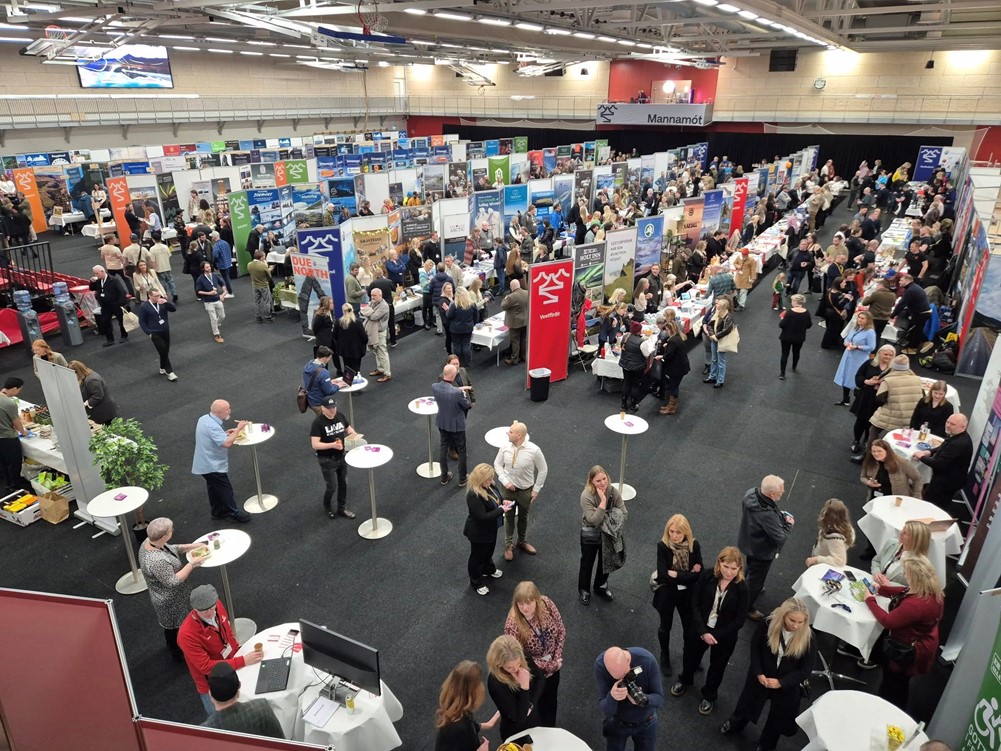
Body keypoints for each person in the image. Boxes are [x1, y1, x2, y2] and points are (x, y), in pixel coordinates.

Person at [719, 598, 816, 751]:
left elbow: (805, 670)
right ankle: (736, 723)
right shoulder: (768, 623)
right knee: (747, 702)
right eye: (792, 620)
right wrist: (758, 672)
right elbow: (755, 646)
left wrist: (781, 683)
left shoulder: (808, 637)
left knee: (777, 717)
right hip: (762, 675)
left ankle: (766, 744)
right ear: (783, 615)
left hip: (785, 684)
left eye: (800, 622)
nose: (796, 626)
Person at [670, 547, 749, 715]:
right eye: (726, 566)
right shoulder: (707, 576)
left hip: (724, 635)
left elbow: (739, 620)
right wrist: (702, 631)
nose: (729, 572)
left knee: (718, 666)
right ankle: (685, 679)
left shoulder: (742, 589)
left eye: (733, 569)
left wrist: (715, 635)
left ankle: (710, 694)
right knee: (691, 655)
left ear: (739, 568)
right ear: (719, 563)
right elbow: (695, 603)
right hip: (701, 628)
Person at [864, 557, 944, 709]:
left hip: (907, 650)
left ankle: (885, 708)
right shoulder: (931, 592)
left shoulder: (916, 605)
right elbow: (904, 591)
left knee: (894, 682)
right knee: (900, 681)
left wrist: (870, 600)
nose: (904, 575)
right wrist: (881, 589)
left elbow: (888, 621)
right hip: (922, 643)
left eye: (906, 573)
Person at [178, 584, 263, 718]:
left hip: (233, 665)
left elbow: (228, 631)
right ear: (195, 610)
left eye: (212, 607)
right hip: (212, 683)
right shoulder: (186, 635)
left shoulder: (217, 605)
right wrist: (242, 660)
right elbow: (206, 667)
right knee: (221, 720)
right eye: (205, 611)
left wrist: (237, 650)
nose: (211, 612)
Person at [138, 517, 205, 660]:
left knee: (177, 625)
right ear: (163, 537)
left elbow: (170, 549)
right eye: (171, 530)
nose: (173, 531)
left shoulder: (149, 542)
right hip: (170, 600)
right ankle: (177, 650)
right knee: (176, 627)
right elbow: (172, 581)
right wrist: (192, 564)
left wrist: (190, 547)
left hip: (175, 596)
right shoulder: (157, 561)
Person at [504, 581, 566, 726]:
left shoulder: (546, 603)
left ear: (537, 600)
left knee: (550, 702)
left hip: (553, 665)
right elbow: (520, 658)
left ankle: (551, 729)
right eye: (520, 603)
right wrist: (551, 665)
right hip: (532, 674)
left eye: (528, 602)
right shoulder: (512, 625)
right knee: (534, 706)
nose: (524, 608)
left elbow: (561, 630)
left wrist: (556, 658)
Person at [738, 475, 793, 621]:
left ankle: (744, 584)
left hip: (749, 542)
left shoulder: (751, 494)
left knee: (750, 567)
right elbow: (780, 537)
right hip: (762, 551)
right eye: (781, 492)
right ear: (772, 494)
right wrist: (788, 524)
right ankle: (745, 607)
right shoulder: (767, 515)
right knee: (756, 581)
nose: (783, 492)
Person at [653, 514, 702, 676]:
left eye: (678, 533)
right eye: (671, 531)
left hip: (688, 595)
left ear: (686, 532)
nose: (674, 536)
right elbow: (662, 576)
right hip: (668, 594)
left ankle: (689, 654)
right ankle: (664, 654)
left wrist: (676, 575)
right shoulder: (663, 546)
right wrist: (688, 575)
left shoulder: (694, 546)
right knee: (665, 626)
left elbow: (699, 574)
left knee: (689, 627)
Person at [494, 421, 548, 562]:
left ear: (519, 435)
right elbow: (497, 464)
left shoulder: (534, 450)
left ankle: (522, 541)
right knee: (508, 517)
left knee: (523, 517)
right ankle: (508, 545)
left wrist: (536, 489)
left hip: (525, 491)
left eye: (510, 431)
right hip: (507, 491)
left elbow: (543, 469)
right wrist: (505, 481)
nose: (507, 433)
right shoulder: (504, 446)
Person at [191, 400, 251, 523]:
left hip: (204, 462)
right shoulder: (212, 425)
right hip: (211, 464)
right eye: (227, 410)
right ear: (218, 412)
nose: (229, 411)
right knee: (224, 488)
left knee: (213, 487)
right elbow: (226, 443)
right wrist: (238, 430)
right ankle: (234, 513)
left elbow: (214, 436)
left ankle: (217, 511)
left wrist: (224, 433)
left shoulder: (204, 419)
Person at [594, 645, 664, 751]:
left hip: (646, 723)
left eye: (626, 676)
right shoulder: (600, 665)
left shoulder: (647, 660)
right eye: (619, 679)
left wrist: (645, 698)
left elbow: (659, 699)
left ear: (628, 662)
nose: (624, 681)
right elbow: (607, 710)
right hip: (618, 723)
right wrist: (612, 697)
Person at [578, 464, 626, 606]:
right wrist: (604, 502)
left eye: (604, 478)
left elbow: (624, 514)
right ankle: (584, 589)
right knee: (587, 563)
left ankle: (600, 586)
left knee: (606, 561)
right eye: (598, 481)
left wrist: (602, 512)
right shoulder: (586, 495)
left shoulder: (613, 491)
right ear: (591, 481)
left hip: (608, 535)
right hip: (591, 534)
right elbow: (593, 521)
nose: (603, 483)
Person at [463, 463, 513, 595]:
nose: (491, 481)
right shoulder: (474, 495)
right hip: (479, 532)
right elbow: (482, 517)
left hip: (491, 529)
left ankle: (488, 570)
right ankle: (476, 582)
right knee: (477, 557)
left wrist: (503, 502)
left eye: (491, 478)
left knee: (489, 551)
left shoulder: (490, 486)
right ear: (480, 480)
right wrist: (501, 510)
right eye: (488, 479)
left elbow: (497, 497)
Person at [486, 635, 545, 742]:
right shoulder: (495, 683)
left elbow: (540, 679)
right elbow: (520, 717)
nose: (516, 669)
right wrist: (524, 687)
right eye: (509, 667)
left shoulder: (523, 657)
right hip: (515, 732)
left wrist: (530, 704)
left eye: (518, 663)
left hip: (534, 719)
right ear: (498, 664)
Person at [201, 662, 284, 738]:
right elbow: (281, 742)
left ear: (210, 694)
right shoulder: (261, 708)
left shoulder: (204, 732)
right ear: (239, 687)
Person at [310, 395, 358, 520]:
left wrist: (353, 434)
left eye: (334, 407)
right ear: (323, 408)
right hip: (327, 460)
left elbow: (348, 429)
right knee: (331, 486)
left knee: (343, 483)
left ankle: (342, 508)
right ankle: (327, 507)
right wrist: (332, 445)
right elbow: (315, 444)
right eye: (329, 408)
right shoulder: (318, 423)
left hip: (341, 457)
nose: (332, 410)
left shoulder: (340, 416)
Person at [434, 661, 500, 751]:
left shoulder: (458, 710)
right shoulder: (457, 729)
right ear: (472, 692)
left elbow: (470, 724)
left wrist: (488, 724)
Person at [914, 413, 973, 510]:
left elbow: (938, 464)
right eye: (947, 422)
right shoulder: (958, 436)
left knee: (932, 505)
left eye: (952, 424)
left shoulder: (959, 444)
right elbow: (944, 446)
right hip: (948, 479)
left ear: (963, 427)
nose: (948, 425)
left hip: (946, 482)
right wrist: (930, 451)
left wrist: (921, 457)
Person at [850, 345, 897, 460]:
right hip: (866, 396)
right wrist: (867, 381)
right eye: (886, 354)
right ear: (880, 353)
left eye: (891, 355)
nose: (888, 357)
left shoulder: (893, 369)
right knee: (861, 420)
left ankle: (867, 440)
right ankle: (856, 440)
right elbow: (858, 377)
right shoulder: (870, 363)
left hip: (880, 399)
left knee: (873, 423)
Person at [869, 355, 925, 444]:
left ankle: (870, 454)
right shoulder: (917, 379)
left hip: (891, 413)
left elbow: (879, 399)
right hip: (911, 415)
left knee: (874, 429)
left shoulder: (888, 380)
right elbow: (923, 397)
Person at [433, 364, 472, 486]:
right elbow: (467, 405)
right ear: (453, 375)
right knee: (461, 450)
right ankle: (462, 478)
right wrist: (463, 393)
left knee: (443, 448)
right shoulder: (457, 393)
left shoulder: (435, 387)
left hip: (442, 422)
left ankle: (444, 476)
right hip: (457, 426)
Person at [834, 310, 877, 404]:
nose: (860, 320)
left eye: (862, 318)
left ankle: (858, 401)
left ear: (868, 320)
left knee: (857, 378)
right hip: (849, 355)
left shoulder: (870, 332)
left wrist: (857, 347)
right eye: (859, 317)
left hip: (859, 358)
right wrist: (847, 344)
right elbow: (846, 339)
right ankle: (845, 399)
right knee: (846, 376)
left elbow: (871, 347)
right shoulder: (855, 328)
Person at [138, 288, 178, 381]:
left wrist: (166, 302)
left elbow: (173, 309)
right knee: (163, 350)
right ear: (150, 296)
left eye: (159, 295)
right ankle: (170, 372)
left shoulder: (162, 303)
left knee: (165, 351)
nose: (158, 297)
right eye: (156, 296)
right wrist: (149, 333)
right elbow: (142, 322)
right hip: (154, 332)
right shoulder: (144, 306)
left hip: (165, 330)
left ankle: (162, 367)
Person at [804, 498, 855, 567]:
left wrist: (816, 559)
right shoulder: (846, 526)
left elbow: (840, 561)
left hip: (822, 566)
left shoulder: (834, 536)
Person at [890, 274, 932, 355]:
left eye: (901, 280)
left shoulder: (911, 290)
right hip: (923, 312)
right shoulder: (913, 287)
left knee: (915, 330)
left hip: (921, 314)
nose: (899, 282)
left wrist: (892, 315)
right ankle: (925, 342)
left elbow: (902, 304)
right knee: (914, 329)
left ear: (908, 280)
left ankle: (913, 348)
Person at [655, 318, 690, 415]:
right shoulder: (679, 338)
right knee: (674, 386)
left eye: (666, 329)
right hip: (682, 367)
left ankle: (671, 407)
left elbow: (669, 356)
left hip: (676, 369)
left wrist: (660, 356)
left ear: (671, 329)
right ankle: (671, 406)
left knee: (672, 387)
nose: (666, 331)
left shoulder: (672, 341)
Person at [89, 264, 129, 347]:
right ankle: (110, 339)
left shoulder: (113, 280)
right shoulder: (98, 281)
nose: (96, 275)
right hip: (105, 305)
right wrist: (92, 282)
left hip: (115, 304)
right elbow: (92, 288)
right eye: (95, 274)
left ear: (102, 272)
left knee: (121, 321)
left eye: (97, 273)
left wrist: (120, 303)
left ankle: (124, 336)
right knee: (105, 321)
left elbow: (122, 292)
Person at [0, 377, 28, 494]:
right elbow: (16, 423)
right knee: (14, 463)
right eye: (19, 390)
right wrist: (24, 432)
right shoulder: (9, 403)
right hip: (8, 438)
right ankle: (15, 486)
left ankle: (8, 484)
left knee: (3, 462)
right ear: (15, 389)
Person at [69, 360, 118, 425]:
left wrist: (85, 404)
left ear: (78, 372)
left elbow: (97, 396)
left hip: (104, 412)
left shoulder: (92, 380)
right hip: (99, 411)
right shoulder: (85, 376)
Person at [778, 294, 812, 380]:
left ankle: (782, 373)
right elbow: (809, 325)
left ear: (795, 301)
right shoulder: (806, 312)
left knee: (785, 354)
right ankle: (794, 367)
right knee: (796, 352)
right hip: (799, 337)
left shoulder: (789, 312)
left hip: (786, 336)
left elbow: (781, 325)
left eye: (792, 300)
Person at [362, 287, 392, 383]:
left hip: (380, 332)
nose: (372, 297)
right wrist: (369, 312)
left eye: (374, 295)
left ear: (380, 295)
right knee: (376, 352)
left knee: (382, 352)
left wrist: (369, 312)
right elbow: (363, 311)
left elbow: (374, 316)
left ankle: (387, 373)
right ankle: (380, 369)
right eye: (371, 295)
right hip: (372, 332)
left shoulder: (384, 306)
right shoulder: (373, 303)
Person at [704, 297, 735, 389]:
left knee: (721, 361)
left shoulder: (728, 317)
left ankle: (720, 380)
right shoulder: (716, 314)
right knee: (714, 359)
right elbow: (710, 324)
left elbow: (727, 330)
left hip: (722, 341)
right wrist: (712, 335)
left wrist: (715, 336)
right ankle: (712, 377)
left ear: (723, 307)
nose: (716, 305)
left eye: (718, 304)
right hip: (714, 339)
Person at [303, 346, 345, 412]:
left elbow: (316, 381)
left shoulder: (308, 364)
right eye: (329, 358)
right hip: (319, 403)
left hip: (311, 399)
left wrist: (330, 382)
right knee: (326, 420)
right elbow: (329, 391)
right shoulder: (324, 372)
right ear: (325, 358)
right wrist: (338, 386)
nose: (330, 360)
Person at [195, 261, 227, 344]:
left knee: (222, 316)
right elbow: (198, 291)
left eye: (209, 267)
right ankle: (217, 334)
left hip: (217, 299)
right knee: (213, 318)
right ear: (203, 269)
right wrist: (209, 293)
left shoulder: (215, 275)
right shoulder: (200, 279)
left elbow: (222, 284)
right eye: (207, 267)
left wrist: (223, 293)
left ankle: (216, 325)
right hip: (208, 302)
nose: (209, 268)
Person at [446, 287, 478, 367]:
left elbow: (449, 316)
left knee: (457, 345)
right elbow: (476, 317)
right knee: (466, 345)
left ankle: (458, 363)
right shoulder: (472, 304)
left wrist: (447, 309)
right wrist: (471, 324)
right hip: (468, 328)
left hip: (455, 329)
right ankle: (466, 362)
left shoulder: (454, 305)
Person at [333, 303, 368, 376]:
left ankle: (348, 381)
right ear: (352, 310)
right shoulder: (357, 322)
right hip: (357, 349)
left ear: (343, 311)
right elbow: (364, 337)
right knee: (356, 367)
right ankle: (357, 379)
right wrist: (364, 344)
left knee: (347, 367)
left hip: (344, 350)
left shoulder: (338, 322)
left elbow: (334, 336)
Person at [368, 268, 397, 347]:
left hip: (378, 307)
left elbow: (369, 294)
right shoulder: (388, 281)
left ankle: (378, 342)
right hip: (389, 305)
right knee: (391, 323)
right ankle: (393, 341)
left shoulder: (373, 283)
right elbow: (394, 290)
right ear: (382, 273)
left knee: (378, 324)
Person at [502, 279, 528, 365]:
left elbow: (503, 306)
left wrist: (505, 298)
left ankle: (514, 359)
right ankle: (524, 356)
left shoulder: (511, 297)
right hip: (525, 320)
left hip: (515, 322)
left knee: (515, 341)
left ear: (512, 287)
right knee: (523, 339)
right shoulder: (527, 292)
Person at [148, 231, 178, 303]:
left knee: (162, 283)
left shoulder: (152, 249)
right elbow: (169, 255)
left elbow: (153, 260)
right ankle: (174, 294)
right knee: (170, 281)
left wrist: (153, 268)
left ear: (153, 239)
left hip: (159, 268)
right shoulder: (165, 246)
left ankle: (164, 295)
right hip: (167, 266)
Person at [247, 250, 274, 323]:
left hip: (255, 285)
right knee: (266, 301)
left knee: (257, 302)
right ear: (261, 257)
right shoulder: (263, 266)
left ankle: (258, 317)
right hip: (264, 285)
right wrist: (270, 269)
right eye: (264, 256)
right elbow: (269, 276)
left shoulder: (249, 264)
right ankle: (267, 316)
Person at [298, 269, 324, 337]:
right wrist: (322, 296)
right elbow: (317, 287)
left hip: (303, 296)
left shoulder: (308, 278)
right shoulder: (311, 277)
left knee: (303, 312)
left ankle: (305, 329)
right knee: (303, 312)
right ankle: (306, 330)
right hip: (304, 297)